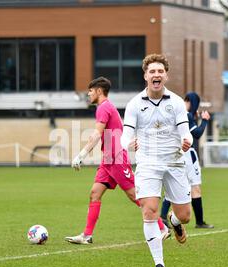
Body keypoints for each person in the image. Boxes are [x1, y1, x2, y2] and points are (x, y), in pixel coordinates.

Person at [65, 77, 169, 244]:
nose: (89, 94)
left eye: (90, 91)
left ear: (99, 91)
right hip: (107, 160)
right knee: (94, 194)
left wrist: (81, 155)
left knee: (136, 195)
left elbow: (97, 134)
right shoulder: (104, 107)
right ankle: (87, 235)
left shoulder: (104, 107)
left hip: (116, 158)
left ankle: (162, 228)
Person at [121, 54, 193, 267]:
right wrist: (129, 144)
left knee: (185, 216)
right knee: (149, 210)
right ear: (145, 76)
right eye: (152, 71)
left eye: (160, 71)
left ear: (166, 75)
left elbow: (185, 131)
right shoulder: (134, 104)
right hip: (148, 162)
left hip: (174, 161)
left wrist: (186, 141)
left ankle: (173, 219)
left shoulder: (177, 102)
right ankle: (159, 264)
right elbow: (125, 136)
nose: (156, 75)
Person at [160, 92, 214, 229]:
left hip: (173, 154)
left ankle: (162, 217)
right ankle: (199, 222)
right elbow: (197, 134)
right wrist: (205, 120)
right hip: (187, 154)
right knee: (195, 187)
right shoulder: (187, 115)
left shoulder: (174, 113)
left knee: (173, 185)